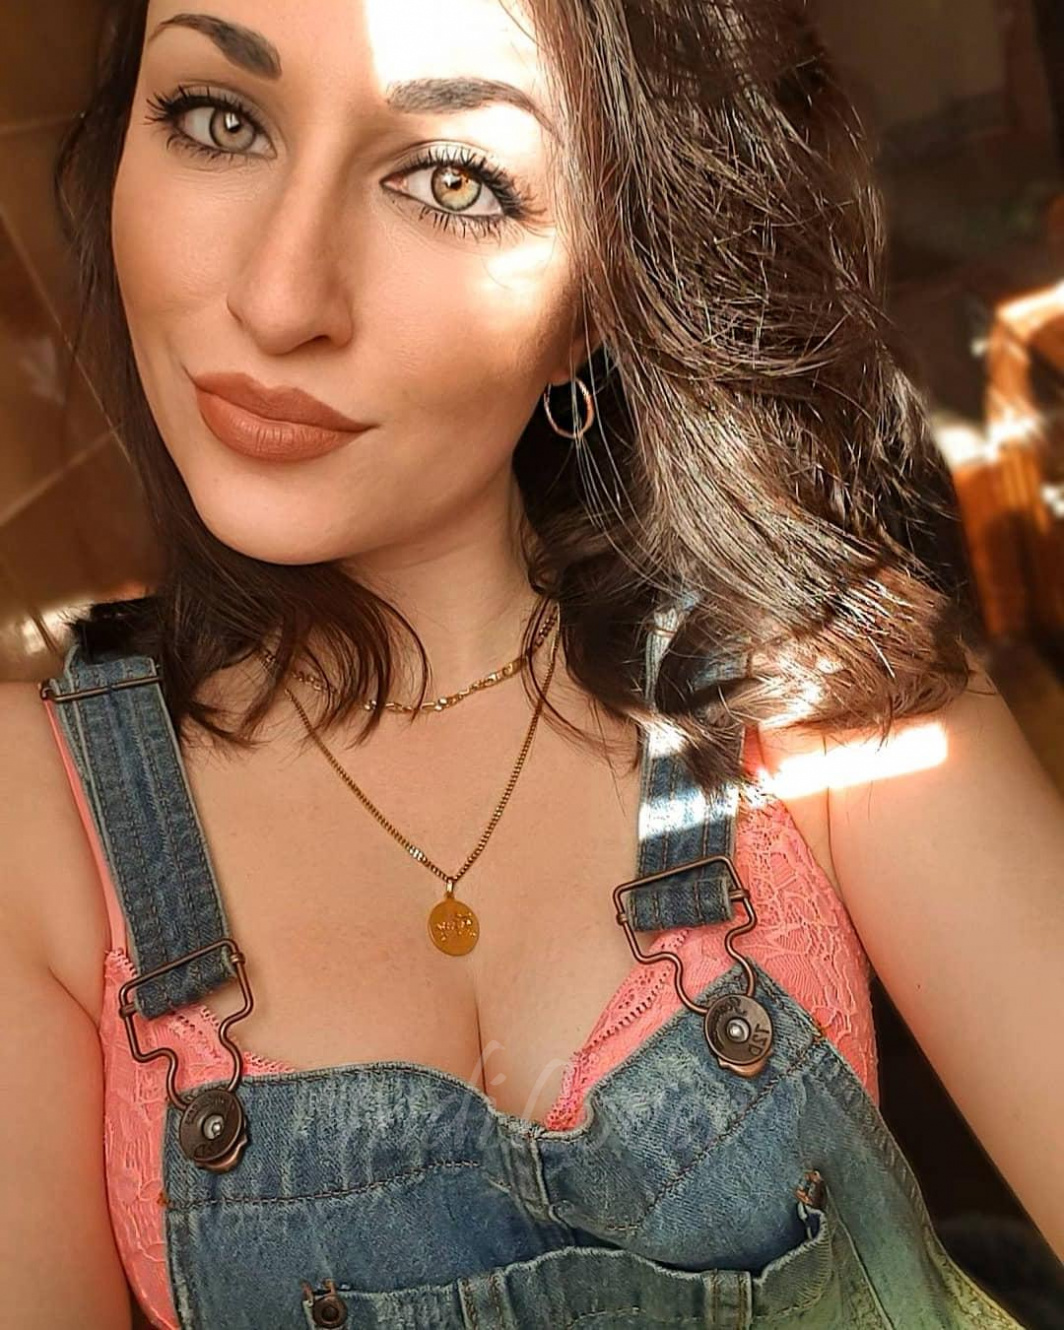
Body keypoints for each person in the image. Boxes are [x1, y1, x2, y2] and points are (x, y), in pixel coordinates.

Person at [1, 0, 1061, 1325]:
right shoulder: (33, 819)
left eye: (453, 180)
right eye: (219, 119)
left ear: (592, 303)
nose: (277, 299)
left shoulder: (805, 689)